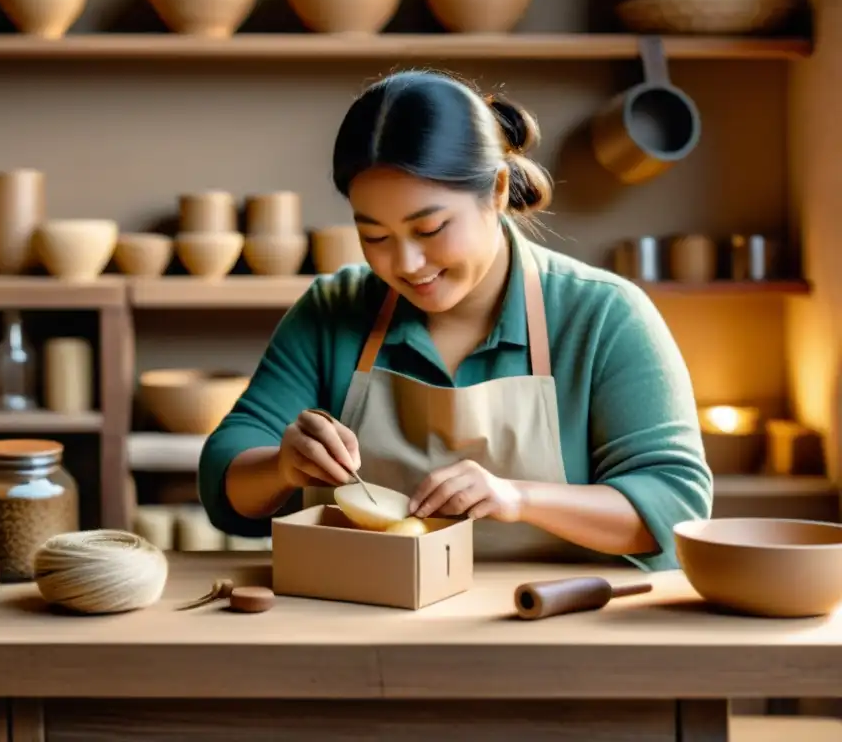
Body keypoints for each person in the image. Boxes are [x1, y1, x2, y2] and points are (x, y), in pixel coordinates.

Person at [198, 69, 712, 571]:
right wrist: (282, 466)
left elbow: (676, 509)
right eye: (375, 237)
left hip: (556, 628)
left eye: (431, 228)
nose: (406, 264)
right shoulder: (334, 310)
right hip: (360, 621)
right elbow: (225, 480)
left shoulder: (602, 315)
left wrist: (518, 498)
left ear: (496, 190)